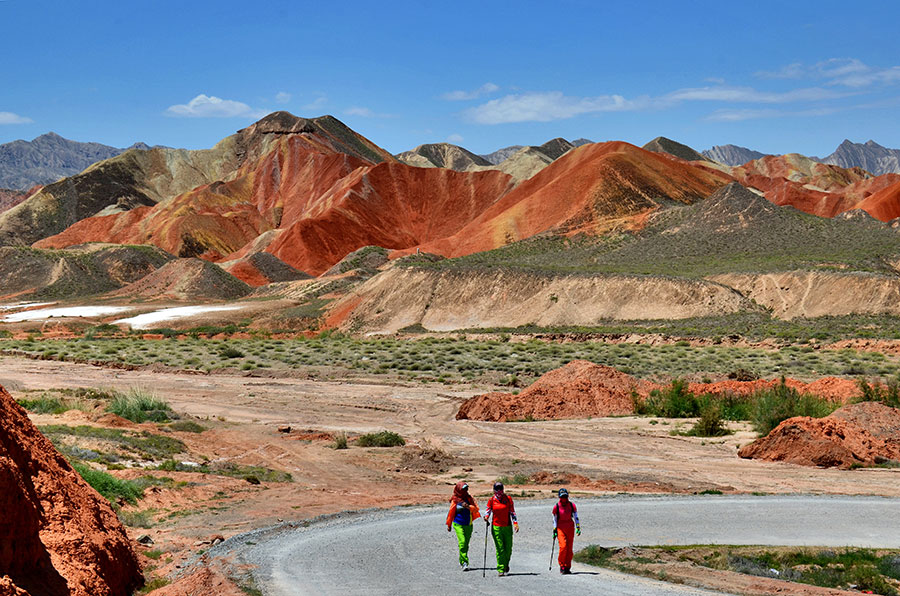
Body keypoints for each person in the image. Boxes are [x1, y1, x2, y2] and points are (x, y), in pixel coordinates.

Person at [484, 481, 518, 576]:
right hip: (496, 527)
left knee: (508, 549)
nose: (499, 491)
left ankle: (506, 564)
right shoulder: (491, 500)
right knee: (500, 548)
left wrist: (515, 523)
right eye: (497, 489)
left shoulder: (508, 499)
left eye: (501, 489)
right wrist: (486, 517)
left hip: (507, 526)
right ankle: (501, 568)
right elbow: (488, 510)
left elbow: (512, 512)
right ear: (494, 490)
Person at [446, 481, 480, 571]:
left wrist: (468, 507)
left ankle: (462, 559)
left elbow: (476, 509)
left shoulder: (469, 498)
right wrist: (449, 524)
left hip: (468, 524)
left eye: (466, 489)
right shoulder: (455, 500)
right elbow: (451, 513)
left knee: (466, 544)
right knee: (463, 542)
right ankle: (464, 562)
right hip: (458, 524)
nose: (466, 490)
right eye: (463, 489)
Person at [552, 487, 581, 574]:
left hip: (570, 528)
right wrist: (554, 530)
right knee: (563, 547)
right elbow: (555, 519)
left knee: (569, 549)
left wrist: (578, 527)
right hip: (560, 528)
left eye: (565, 497)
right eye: (562, 497)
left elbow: (576, 517)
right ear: (559, 497)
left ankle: (567, 567)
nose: (564, 499)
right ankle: (562, 565)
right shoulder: (556, 507)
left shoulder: (572, 505)